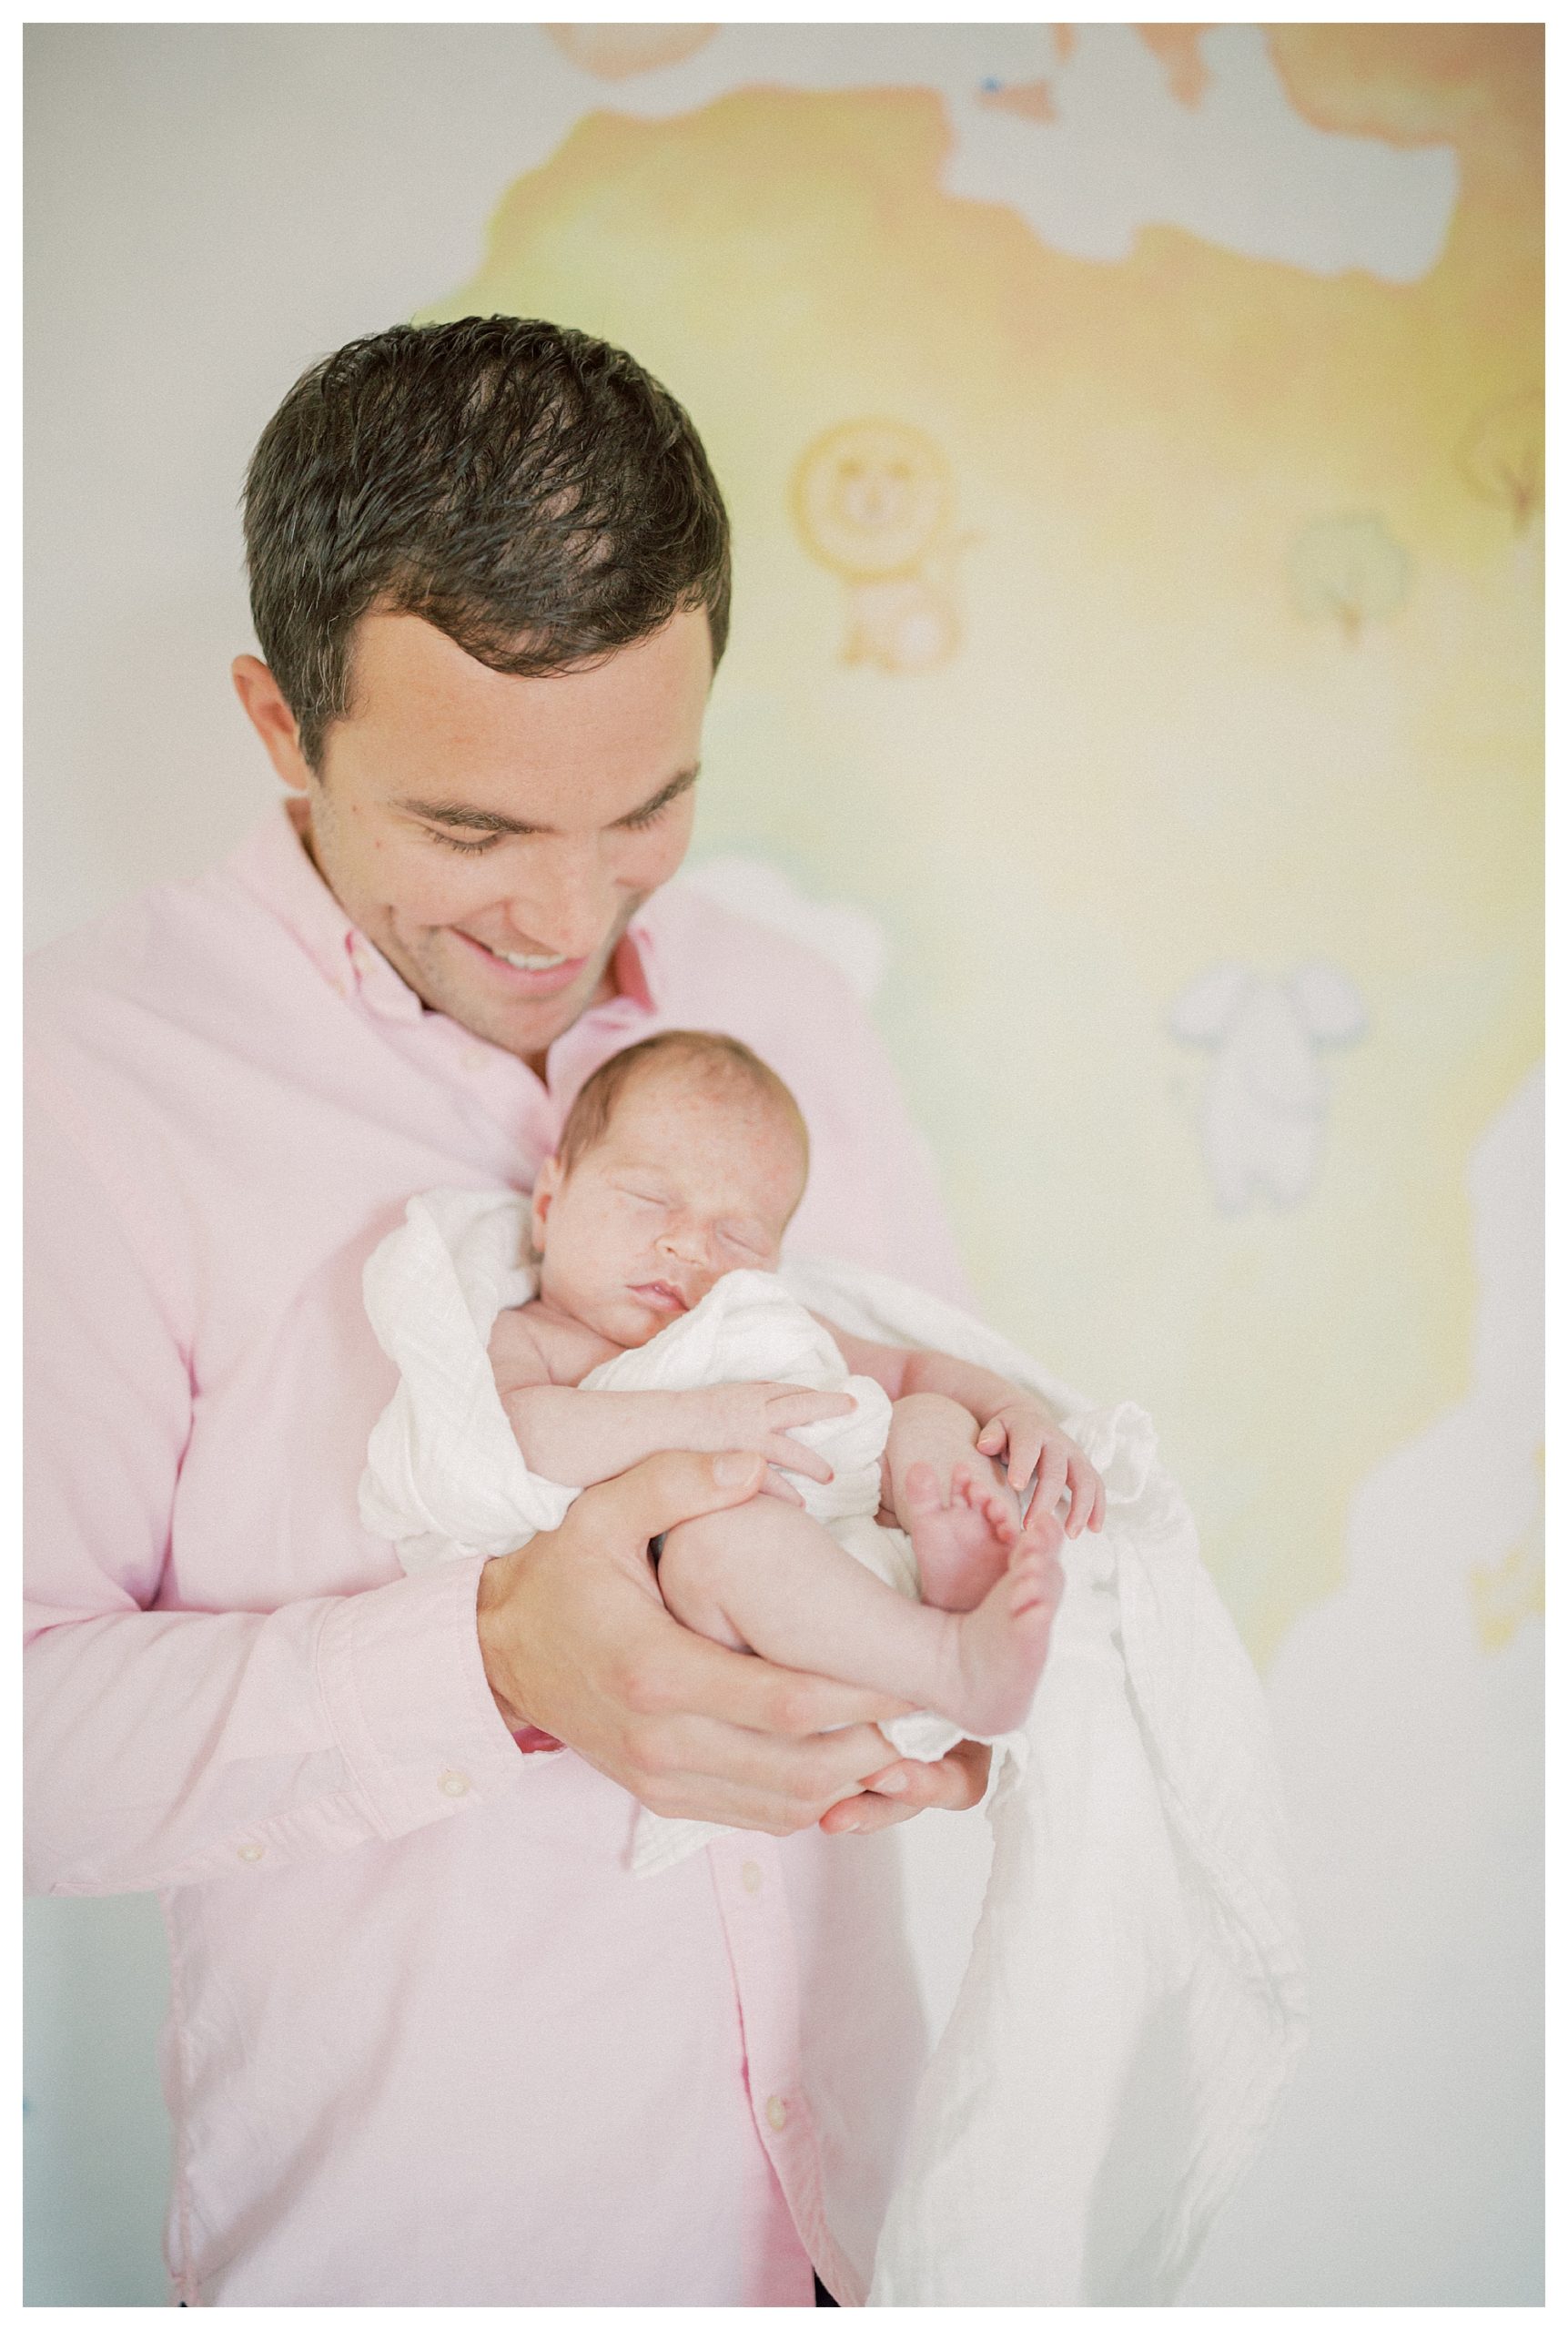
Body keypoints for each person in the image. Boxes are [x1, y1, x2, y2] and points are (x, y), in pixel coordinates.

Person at [25, 318, 1010, 2305]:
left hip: (870, 2237)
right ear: (282, 724)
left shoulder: (780, 1005)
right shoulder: (80, 1080)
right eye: (472, 829)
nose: (572, 919)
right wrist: (493, 1657)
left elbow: (914, 1400)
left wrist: (947, 1633)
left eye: (643, 806)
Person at [484, 1027, 1102, 1737]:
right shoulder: (536, 1337)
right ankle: (948, 1660)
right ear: (546, 1205)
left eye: (738, 1238)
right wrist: (707, 1422)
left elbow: (904, 1368)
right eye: (649, 1199)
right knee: (716, 1548)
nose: (687, 1245)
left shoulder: (754, 1318)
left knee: (928, 1410)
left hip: (852, 1506)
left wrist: (1011, 1408)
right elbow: (524, 1435)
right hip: (741, 1562)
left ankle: (956, 1550)